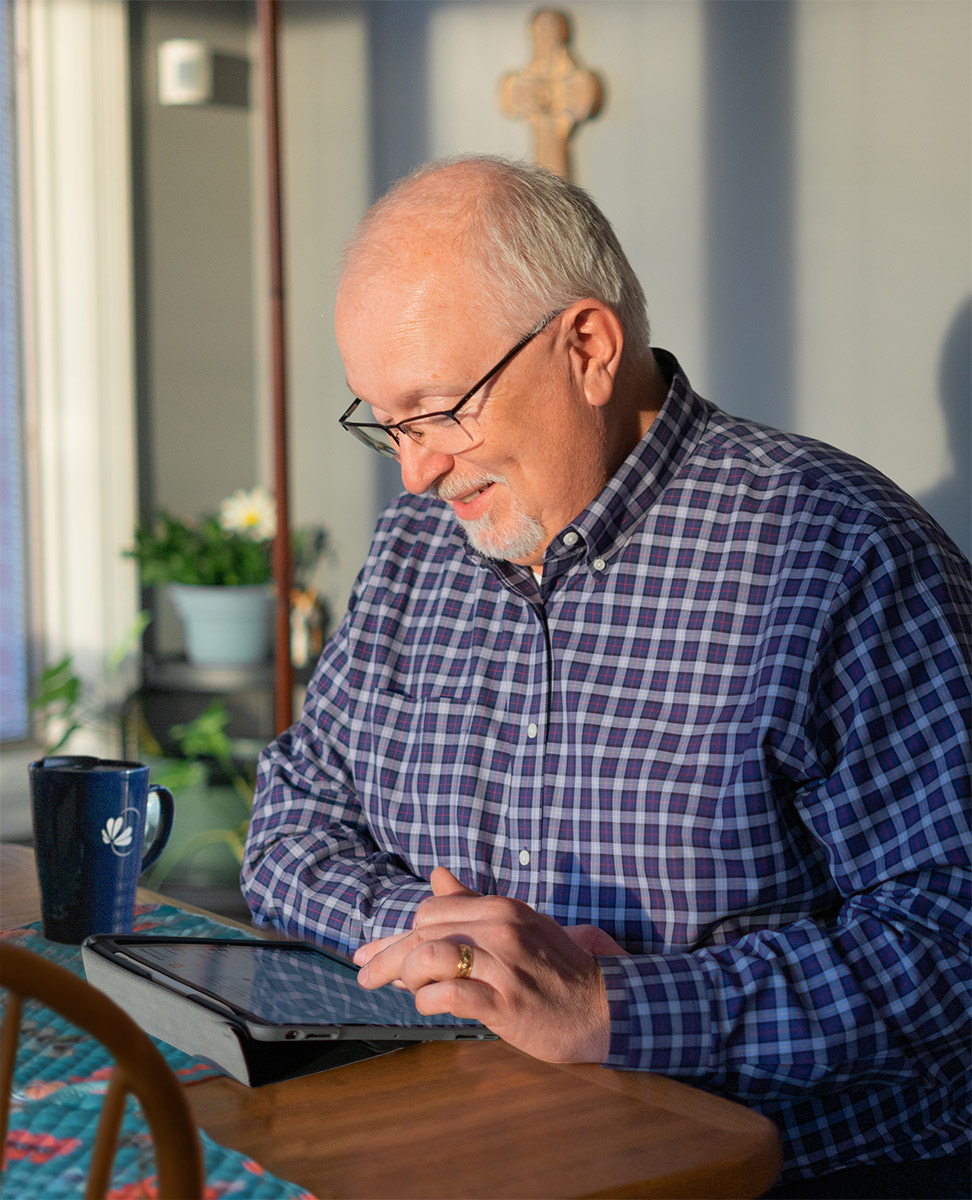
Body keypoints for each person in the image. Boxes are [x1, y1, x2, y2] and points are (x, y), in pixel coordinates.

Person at [241, 156, 970, 1194]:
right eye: (386, 422)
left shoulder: (837, 550)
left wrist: (613, 1007)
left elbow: (950, 939)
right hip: (469, 1139)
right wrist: (447, 953)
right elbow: (289, 822)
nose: (414, 471)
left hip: (782, 1171)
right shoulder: (417, 541)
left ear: (587, 346)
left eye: (440, 410)